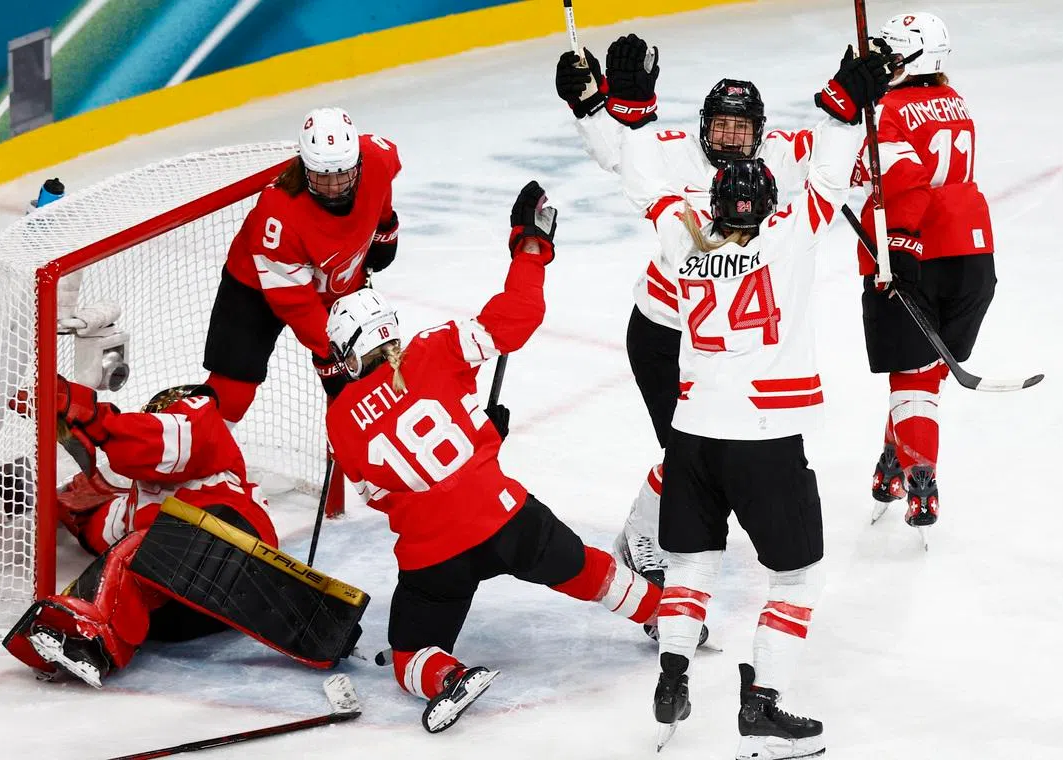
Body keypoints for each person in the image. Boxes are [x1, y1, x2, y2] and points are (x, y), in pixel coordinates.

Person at [322, 182, 663, 733]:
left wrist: (477, 440)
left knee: (409, 656)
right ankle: (662, 615)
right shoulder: (432, 348)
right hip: (503, 514)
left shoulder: (340, 421)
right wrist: (529, 247)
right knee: (583, 568)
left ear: (347, 352)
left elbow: (381, 494)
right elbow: (518, 316)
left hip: (433, 554)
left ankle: (451, 678)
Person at [646, 47, 890, 757]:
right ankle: (762, 707)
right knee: (795, 576)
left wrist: (623, 117)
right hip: (766, 434)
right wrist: (843, 103)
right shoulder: (794, 233)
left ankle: (673, 670)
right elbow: (828, 171)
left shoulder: (679, 237)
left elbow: (650, 187)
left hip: (691, 432)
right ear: (772, 203)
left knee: (691, 566)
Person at [553, 36, 814, 584]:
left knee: (716, 447)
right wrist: (589, 106)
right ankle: (641, 534)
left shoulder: (781, 161)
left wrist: (862, 111)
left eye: (741, 128)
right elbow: (618, 153)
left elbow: (840, 159)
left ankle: (653, 530)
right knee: (685, 450)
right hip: (663, 332)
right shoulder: (675, 151)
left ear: (760, 131)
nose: (729, 136)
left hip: (739, 347)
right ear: (703, 125)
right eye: (720, 125)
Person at [3, 379, 280, 686]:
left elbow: (164, 440)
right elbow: (104, 532)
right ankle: (77, 638)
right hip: (190, 604)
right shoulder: (138, 504)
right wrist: (71, 509)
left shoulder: (203, 421)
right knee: (125, 564)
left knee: (146, 545)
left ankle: (91, 633)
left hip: (233, 542)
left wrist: (97, 420)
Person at [855, 12, 996, 533]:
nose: (879, 62)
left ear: (908, 58)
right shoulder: (955, 102)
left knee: (912, 374)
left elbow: (904, 181)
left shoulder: (887, 109)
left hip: (914, 250)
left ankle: (920, 480)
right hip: (974, 250)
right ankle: (892, 461)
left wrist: (899, 246)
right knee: (930, 372)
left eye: (887, 53)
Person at [203, 107, 402, 424]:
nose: (335, 186)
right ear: (306, 168)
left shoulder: (377, 158)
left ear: (358, 161)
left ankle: (369, 461)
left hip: (336, 283)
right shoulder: (278, 215)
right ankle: (194, 456)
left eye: (342, 174)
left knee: (367, 384)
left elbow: (383, 187)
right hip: (256, 290)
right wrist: (332, 348)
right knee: (233, 393)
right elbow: (295, 302)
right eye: (323, 178)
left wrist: (385, 227)